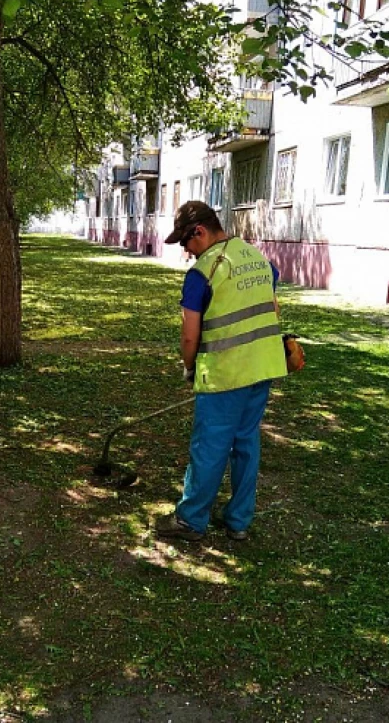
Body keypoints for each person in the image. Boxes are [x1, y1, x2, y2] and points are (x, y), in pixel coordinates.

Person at [156, 201, 287, 542]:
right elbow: (272, 308)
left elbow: (189, 335)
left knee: (209, 447)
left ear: (199, 231)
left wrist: (188, 367)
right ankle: (238, 522)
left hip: (225, 375)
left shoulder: (203, 273)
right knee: (245, 443)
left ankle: (190, 520)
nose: (186, 251)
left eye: (186, 242)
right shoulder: (257, 259)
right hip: (263, 368)